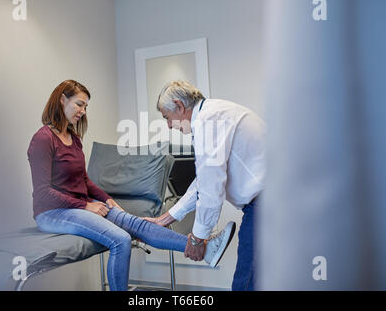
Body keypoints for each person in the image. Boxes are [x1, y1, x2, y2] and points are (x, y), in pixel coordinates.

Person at [27, 79, 236, 291]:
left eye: (86, 106)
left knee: (139, 224)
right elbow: (43, 193)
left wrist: (107, 200)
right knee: (121, 239)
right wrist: (86, 206)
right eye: (79, 104)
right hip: (53, 212)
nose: (83, 111)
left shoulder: (74, 138)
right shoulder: (43, 139)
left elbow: (84, 181)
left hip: (81, 206)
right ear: (62, 100)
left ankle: (207, 249)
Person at [146, 80, 266, 291]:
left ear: (179, 106)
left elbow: (211, 189)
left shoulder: (207, 121)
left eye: (167, 117)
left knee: (246, 284)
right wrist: (166, 218)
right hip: (273, 201)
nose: (169, 125)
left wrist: (197, 239)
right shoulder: (214, 114)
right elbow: (202, 181)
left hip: (268, 206)